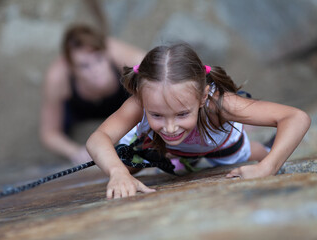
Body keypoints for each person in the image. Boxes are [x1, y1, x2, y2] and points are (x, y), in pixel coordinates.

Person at [86, 43, 311, 199]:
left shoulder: (217, 104)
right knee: (123, 163)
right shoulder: (139, 103)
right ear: (143, 99)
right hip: (167, 148)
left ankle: (265, 147)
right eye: (157, 114)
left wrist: (268, 167)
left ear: (203, 96)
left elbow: (296, 117)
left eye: (182, 114)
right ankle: (177, 159)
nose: (170, 127)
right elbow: (97, 139)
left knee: (258, 155)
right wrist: (118, 173)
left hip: (221, 146)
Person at [40, 24, 145, 165]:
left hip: (120, 99)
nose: (96, 70)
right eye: (85, 66)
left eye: (99, 60)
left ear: (107, 53)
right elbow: (49, 133)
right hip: (79, 109)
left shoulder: (122, 55)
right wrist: (75, 151)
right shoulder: (58, 76)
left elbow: (158, 81)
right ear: (71, 67)